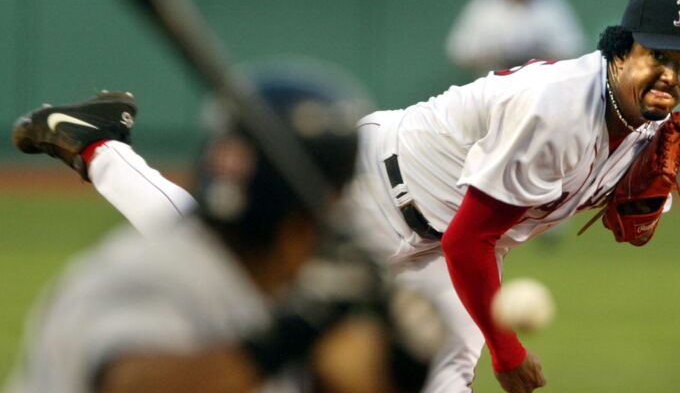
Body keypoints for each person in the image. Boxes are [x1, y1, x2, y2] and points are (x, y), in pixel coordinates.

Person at [10, 0, 680, 393]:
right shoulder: (559, 106)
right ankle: (94, 141)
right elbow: (474, 235)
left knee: (445, 369)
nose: (671, 77)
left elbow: (482, 233)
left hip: (446, 235)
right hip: (376, 194)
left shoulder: (645, 118)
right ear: (621, 49)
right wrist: (508, 349)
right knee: (212, 255)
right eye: (659, 57)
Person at [5, 62, 443, 393]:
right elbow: (134, 384)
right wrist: (296, 330)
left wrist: (399, 361)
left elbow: (350, 372)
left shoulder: (271, 284)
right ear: (300, 217)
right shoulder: (144, 274)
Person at [446, 0, 586, 76]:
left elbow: (574, 49)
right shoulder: (483, 6)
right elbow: (459, 51)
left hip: (542, 86)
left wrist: (536, 56)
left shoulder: (552, 5)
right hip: (493, 88)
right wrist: (496, 56)